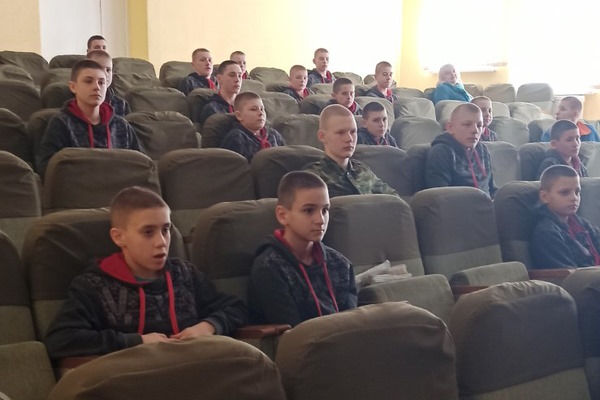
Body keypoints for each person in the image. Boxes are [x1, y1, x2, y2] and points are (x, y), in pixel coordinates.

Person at [43, 186, 247, 359]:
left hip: (194, 370)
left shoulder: (185, 274)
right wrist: (136, 341)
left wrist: (207, 327)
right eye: (148, 232)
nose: (161, 242)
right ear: (119, 237)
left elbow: (235, 308)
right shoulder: (93, 286)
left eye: (166, 230)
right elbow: (60, 339)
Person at [249, 171, 357, 327]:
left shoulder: (341, 264)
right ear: (283, 215)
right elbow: (292, 333)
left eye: (325, 210)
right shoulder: (269, 268)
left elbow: (353, 324)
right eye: (309, 210)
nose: (320, 220)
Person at [37, 59, 142, 178]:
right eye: (88, 81)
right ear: (73, 87)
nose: (96, 87)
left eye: (101, 83)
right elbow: (48, 167)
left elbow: (138, 164)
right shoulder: (61, 123)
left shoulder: (121, 125)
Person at [304, 104, 398, 197]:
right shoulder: (313, 178)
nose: (349, 139)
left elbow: (393, 198)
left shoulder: (362, 170)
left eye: (353, 132)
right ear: (322, 136)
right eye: (340, 132)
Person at [530, 165, 600, 269]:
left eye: (577, 192)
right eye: (565, 192)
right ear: (544, 197)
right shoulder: (547, 233)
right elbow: (569, 274)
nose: (574, 198)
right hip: (582, 278)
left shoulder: (585, 225)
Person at [425, 103, 496, 197]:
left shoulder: (483, 150)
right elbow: (440, 197)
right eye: (467, 124)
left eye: (479, 125)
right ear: (450, 127)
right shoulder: (440, 152)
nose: (475, 130)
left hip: (487, 204)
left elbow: (492, 189)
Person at [220, 92, 285, 162]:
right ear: (239, 116)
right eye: (253, 109)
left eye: (262, 109)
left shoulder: (273, 134)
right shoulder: (237, 137)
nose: (261, 113)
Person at [197, 60, 242, 127]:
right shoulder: (211, 109)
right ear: (219, 79)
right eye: (232, 75)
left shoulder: (245, 106)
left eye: (240, 76)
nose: (237, 79)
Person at [86, 50, 130, 117]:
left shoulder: (122, 104)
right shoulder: (79, 102)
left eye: (108, 70)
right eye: (99, 69)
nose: (105, 74)